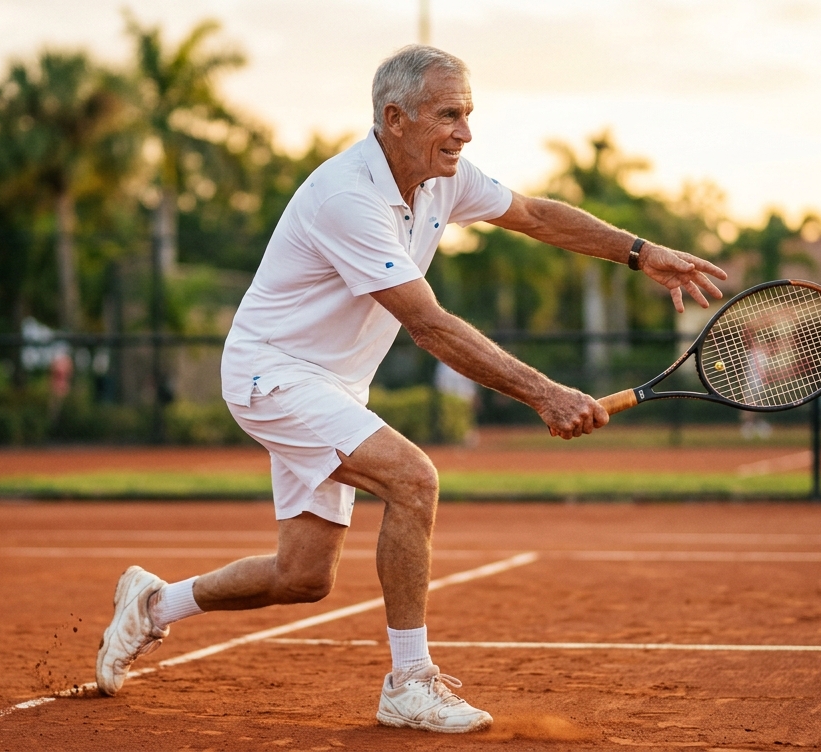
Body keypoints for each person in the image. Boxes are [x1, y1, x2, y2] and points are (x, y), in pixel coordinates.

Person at [96, 44, 727, 733]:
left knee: (303, 576)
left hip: (332, 385)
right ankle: (409, 682)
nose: (465, 131)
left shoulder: (442, 178)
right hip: (270, 374)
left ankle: (156, 605)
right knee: (412, 479)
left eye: (468, 114)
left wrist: (641, 252)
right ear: (395, 118)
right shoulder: (348, 197)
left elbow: (538, 216)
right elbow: (428, 325)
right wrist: (545, 393)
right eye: (448, 115)